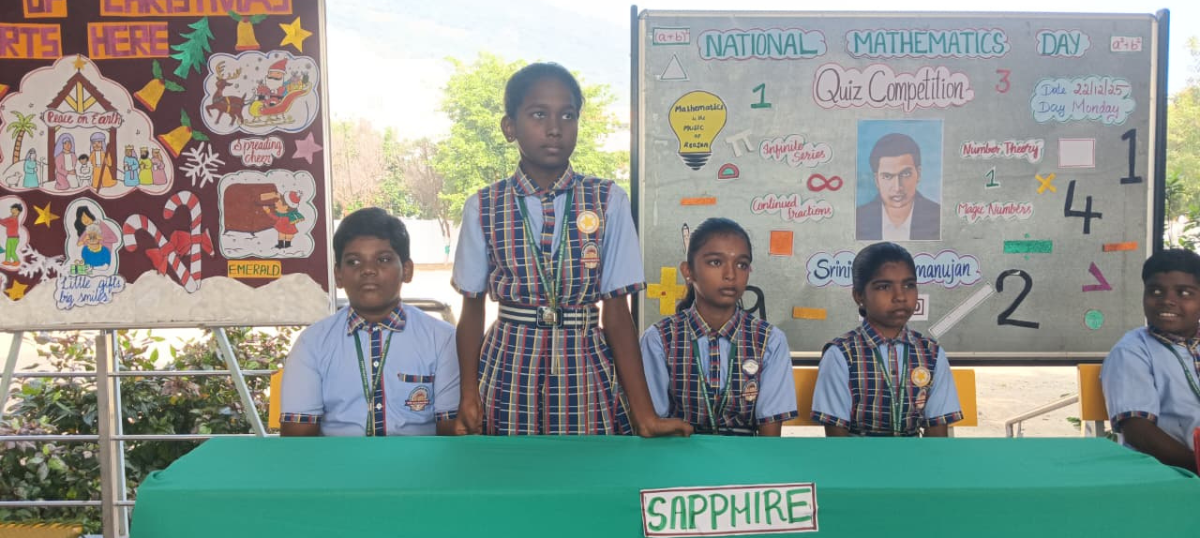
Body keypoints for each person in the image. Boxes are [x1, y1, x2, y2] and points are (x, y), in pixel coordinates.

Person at [452, 62, 691, 437]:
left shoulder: (608, 200)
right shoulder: (483, 206)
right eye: (538, 114)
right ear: (509, 127)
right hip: (506, 368)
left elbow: (617, 315)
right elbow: (471, 311)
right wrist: (468, 393)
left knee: (589, 466)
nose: (554, 128)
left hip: (585, 366)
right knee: (509, 466)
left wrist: (645, 415)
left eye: (567, 115)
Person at [280, 207, 460, 436]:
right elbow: (297, 438)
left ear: (406, 270)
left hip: (418, 460)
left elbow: (451, 436)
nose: (368, 270)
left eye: (383, 259)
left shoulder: (442, 339)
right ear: (338, 275)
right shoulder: (313, 343)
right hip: (338, 459)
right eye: (354, 262)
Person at [640, 218, 797, 435]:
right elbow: (652, 423)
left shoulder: (769, 340)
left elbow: (770, 436)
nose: (730, 275)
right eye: (715, 262)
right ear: (688, 271)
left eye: (741, 265)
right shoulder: (659, 339)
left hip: (746, 455)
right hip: (679, 452)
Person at [812, 242, 962, 436]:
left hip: (917, 454)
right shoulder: (841, 354)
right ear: (859, 296)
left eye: (909, 285)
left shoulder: (931, 353)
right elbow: (836, 439)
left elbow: (937, 434)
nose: (900, 296)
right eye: (884, 287)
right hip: (855, 454)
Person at [1101, 249, 1200, 472]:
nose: (1167, 301)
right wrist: (1195, 465)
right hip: (1172, 472)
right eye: (1155, 291)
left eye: (1184, 293)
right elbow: (1139, 432)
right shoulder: (1132, 351)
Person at [855, 133, 940, 241]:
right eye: (887, 176)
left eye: (905, 174)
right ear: (876, 180)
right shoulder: (858, 219)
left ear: (918, 174)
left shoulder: (939, 217)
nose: (897, 187)